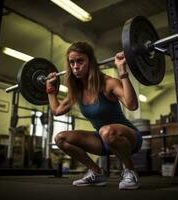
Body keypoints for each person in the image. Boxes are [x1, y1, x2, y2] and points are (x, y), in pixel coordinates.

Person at [46, 41, 142, 190]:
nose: (75, 66)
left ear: (90, 61)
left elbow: (132, 105)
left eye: (80, 61)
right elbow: (57, 111)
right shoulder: (77, 91)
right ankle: (96, 172)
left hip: (128, 138)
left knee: (106, 131)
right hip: (102, 139)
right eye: (72, 62)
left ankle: (130, 171)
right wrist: (51, 90)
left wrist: (122, 71)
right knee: (60, 138)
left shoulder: (108, 83)